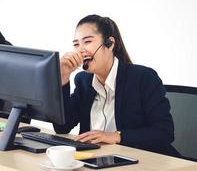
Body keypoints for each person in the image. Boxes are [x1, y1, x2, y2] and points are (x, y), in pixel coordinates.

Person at [54, 14, 180, 157]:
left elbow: (164, 133)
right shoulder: (83, 80)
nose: (80, 50)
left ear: (110, 44)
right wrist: (63, 78)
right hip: (99, 160)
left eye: (87, 42)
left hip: (144, 162)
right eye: (76, 44)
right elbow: (62, 127)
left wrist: (115, 136)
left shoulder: (143, 78)